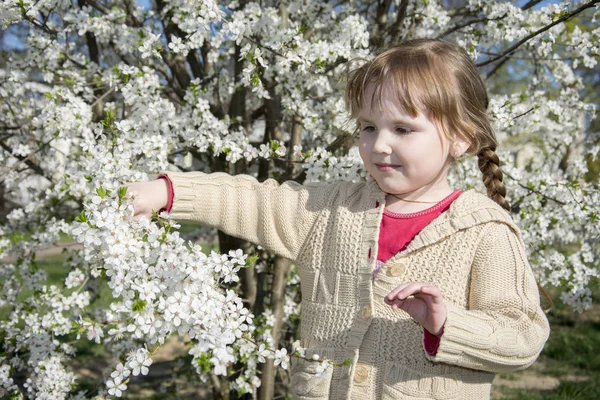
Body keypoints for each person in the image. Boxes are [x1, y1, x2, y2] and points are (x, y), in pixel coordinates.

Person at [127, 39, 550, 400]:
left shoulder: (484, 231)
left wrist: (446, 323)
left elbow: (522, 336)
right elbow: (253, 200)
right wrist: (168, 192)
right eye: (368, 127)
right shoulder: (332, 209)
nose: (379, 144)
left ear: (461, 138)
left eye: (403, 129)